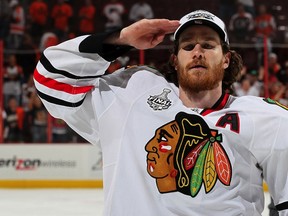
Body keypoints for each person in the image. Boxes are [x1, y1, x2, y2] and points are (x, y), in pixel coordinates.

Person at [33, 9, 288, 215]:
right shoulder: (132, 94)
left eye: (208, 45)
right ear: (175, 60)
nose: (197, 51)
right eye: (187, 46)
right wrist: (121, 40)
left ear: (226, 59)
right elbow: (49, 77)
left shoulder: (266, 118)